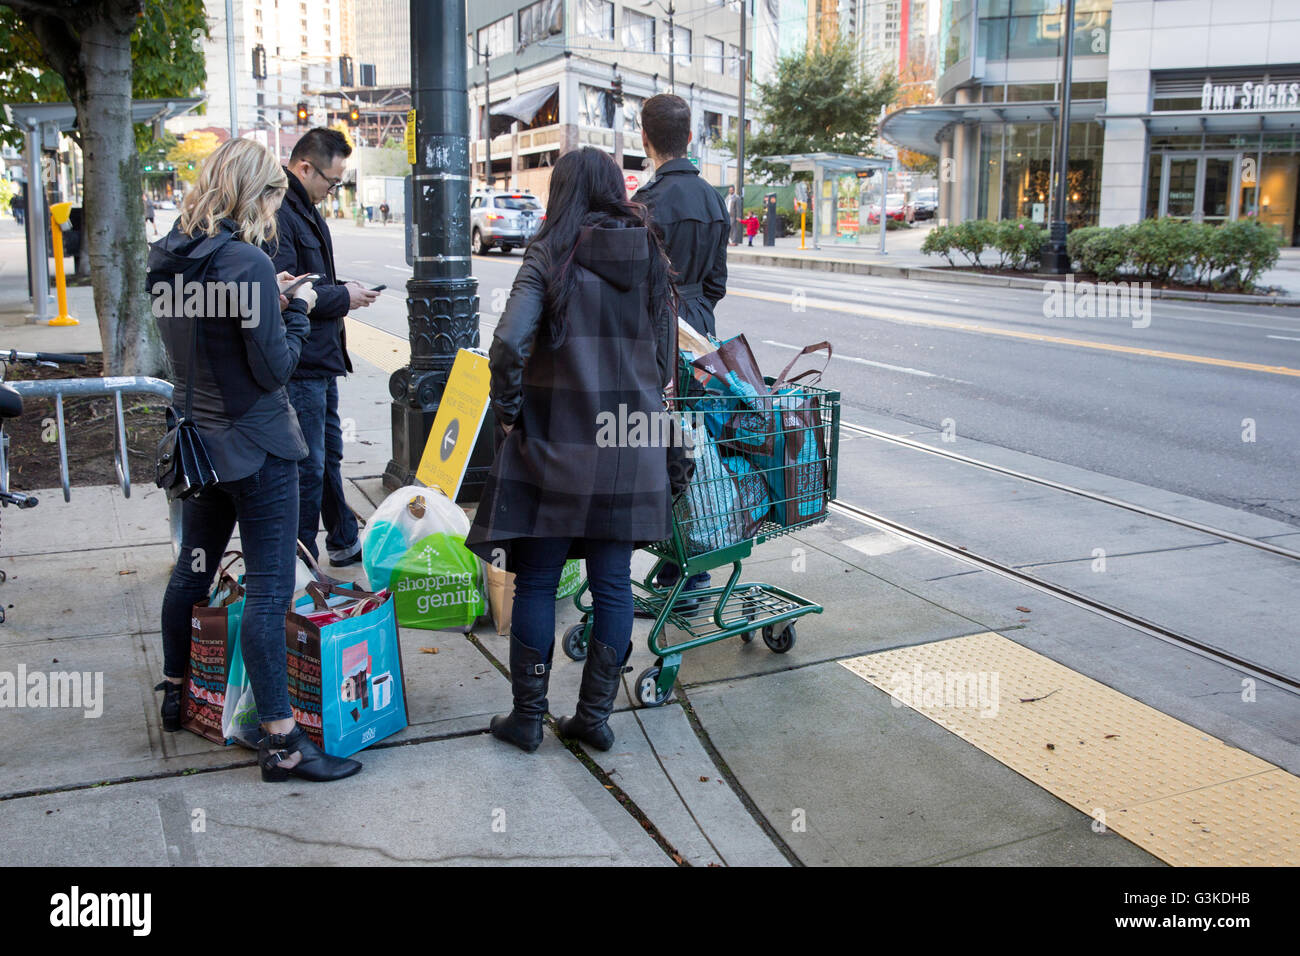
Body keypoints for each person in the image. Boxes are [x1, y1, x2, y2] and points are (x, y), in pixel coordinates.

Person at [148, 137, 361, 783]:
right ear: (258, 194)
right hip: (260, 448)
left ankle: (177, 692)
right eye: (273, 194)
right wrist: (292, 308)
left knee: (191, 572)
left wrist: (269, 296)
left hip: (196, 444)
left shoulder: (168, 256)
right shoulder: (243, 263)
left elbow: (196, 341)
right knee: (270, 593)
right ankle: (283, 742)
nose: (277, 206)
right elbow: (275, 368)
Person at [465, 147, 676, 755]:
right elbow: (665, 361)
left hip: (557, 440)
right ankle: (594, 717)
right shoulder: (650, 257)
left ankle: (528, 719)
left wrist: (510, 414)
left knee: (536, 580)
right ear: (615, 189)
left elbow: (506, 345)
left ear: (561, 192)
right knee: (613, 583)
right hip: (629, 441)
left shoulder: (550, 253)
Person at [267, 127, 379, 567]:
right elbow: (289, 292)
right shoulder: (280, 212)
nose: (332, 191)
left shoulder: (303, 208)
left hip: (319, 358)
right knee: (308, 465)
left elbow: (312, 283)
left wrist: (342, 290)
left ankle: (344, 540)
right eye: (330, 182)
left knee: (327, 456)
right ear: (304, 167)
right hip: (302, 361)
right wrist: (343, 297)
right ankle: (299, 563)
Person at [633, 92, 729, 605]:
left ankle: (684, 569)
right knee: (689, 441)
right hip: (700, 330)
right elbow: (717, 281)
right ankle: (688, 560)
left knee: (656, 443)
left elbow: (635, 281)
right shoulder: (714, 199)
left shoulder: (646, 202)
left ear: (645, 138)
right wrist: (696, 312)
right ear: (689, 137)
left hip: (659, 335)